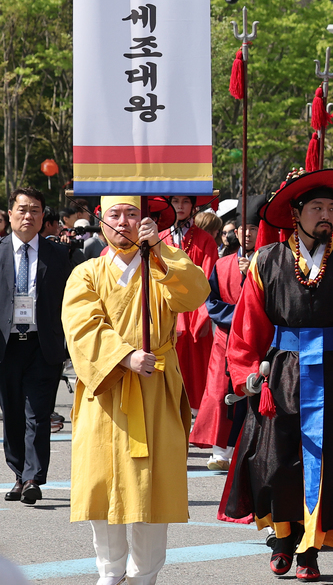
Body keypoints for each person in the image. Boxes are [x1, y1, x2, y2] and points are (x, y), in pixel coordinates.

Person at [221, 169, 333, 582]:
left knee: (325, 462)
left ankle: (310, 549)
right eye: (316, 208)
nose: (326, 215)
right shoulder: (268, 261)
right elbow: (248, 324)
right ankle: (282, 539)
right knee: (276, 460)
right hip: (282, 373)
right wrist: (245, 371)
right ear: (295, 214)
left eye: (332, 208)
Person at [64, 195, 210, 585]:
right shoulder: (87, 273)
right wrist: (125, 356)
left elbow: (196, 293)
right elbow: (82, 328)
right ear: (101, 223)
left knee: (152, 489)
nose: (125, 222)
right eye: (116, 215)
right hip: (107, 389)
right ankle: (110, 573)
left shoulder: (160, 266)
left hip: (155, 388)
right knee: (102, 484)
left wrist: (161, 250)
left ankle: (145, 576)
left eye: (134, 214)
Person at [2, 188, 74, 505]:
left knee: (38, 414)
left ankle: (33, 477)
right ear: (10, 214)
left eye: (35, 210)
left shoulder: (60, 255)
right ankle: (18, 474)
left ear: (43, 217)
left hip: (42, 344)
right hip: (6, 348)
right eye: (22, 209)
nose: (28, 215)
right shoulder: (0, 252)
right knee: (13, 413)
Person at [191, 195, 265, 471]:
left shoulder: (269, 261)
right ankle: (219, 448)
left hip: (259, 337)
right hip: (226, 335)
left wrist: (254, 274)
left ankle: (252, 446)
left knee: (256, 392)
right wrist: (238, 317)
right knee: (220, 392)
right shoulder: (222, 265)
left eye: (254, 229)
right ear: (235, 231)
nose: (247, 234)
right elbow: (211, 302)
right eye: (243, 229)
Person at [162, 195, 220, 413]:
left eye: (185, 201)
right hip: (166, 311)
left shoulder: (205, 240)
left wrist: (203, 316)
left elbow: (209, 281)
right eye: (175, 201)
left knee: (195, 373)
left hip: (195, 312)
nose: (179, 206)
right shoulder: (159, 238)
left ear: (193, 206)